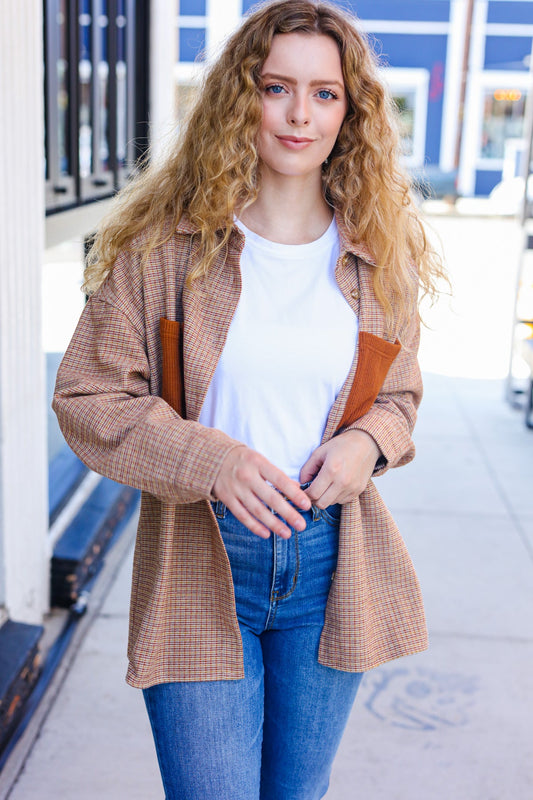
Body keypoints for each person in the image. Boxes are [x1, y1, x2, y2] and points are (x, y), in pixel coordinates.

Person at [53, 1, 445, 797]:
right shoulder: (163, 250)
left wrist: (366, 444)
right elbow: (89, 395)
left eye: (325, 93)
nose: (301, 115)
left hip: (329, 561)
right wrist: (213, 460)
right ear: (241, 98)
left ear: (350, 112)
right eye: (276, 88)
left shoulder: (378, 256)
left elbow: (398, 397)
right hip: (202, 557)